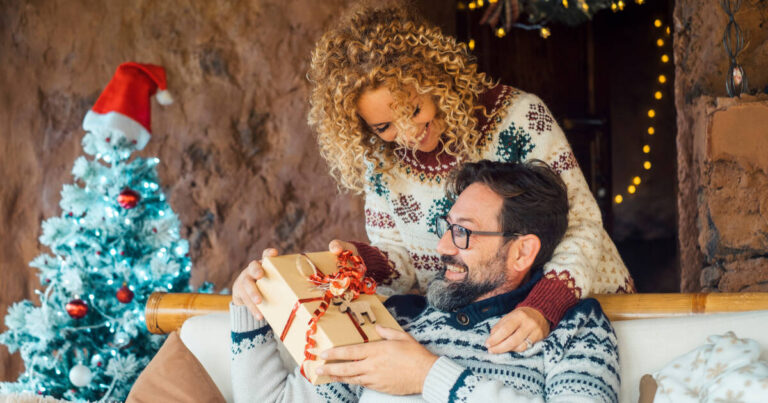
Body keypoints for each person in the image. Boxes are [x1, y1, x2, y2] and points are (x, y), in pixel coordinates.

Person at [233, 1, 632, 356]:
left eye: (413, 109)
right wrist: (360, 262)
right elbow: (403, 261)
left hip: (581, 309)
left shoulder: (520, 117)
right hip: (480, 329)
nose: (406, 134)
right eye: (385, 125)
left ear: (434, 78)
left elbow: (580, 225)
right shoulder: (382, 161)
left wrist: (543, 306)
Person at [230, 160, 620, 402]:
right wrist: (251, 309)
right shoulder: (394, 317)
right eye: (445, 227)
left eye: (463, 233)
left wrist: (428, 375)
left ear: (521, 252)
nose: (442, 245)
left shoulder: (576, 327)